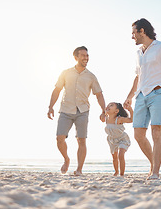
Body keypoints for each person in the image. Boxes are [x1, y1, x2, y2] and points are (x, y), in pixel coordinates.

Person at [124, 18, 161, 180]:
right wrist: (129, 97)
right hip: (141, 96)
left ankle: (155, 172)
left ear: (142, 31)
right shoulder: (138, 53)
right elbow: (138, 76)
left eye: (134, 33)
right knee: (138, 135)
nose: (132, 36)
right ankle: (153, 163)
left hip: (158, 93)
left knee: (157, 132)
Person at [47, 46, 106, 176]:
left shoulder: (91, 76)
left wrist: (103, 110)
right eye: (83, 55)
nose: (86, 58)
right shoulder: (65, 73)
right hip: (66, 110)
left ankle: (79, 169)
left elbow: (99, 94)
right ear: (76, 57)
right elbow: (57, 90)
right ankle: (66, 159)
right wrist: (50, 106)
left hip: (83, 111)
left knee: (81, 140)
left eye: (87, 55)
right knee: (59, 138)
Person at [104, 102, 133, 176]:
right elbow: (101, 117)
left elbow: (131, 120)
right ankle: (116, 171)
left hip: (122, 139)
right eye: (108, 105)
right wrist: (102, 113)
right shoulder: (106, 118)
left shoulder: (119, 119)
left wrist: (130, 110)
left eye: (111, 105)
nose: (108, 106)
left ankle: (122, 174)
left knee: (121, 155)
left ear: (116, 111)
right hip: (112, 140)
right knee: (114, 157)